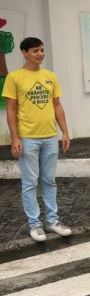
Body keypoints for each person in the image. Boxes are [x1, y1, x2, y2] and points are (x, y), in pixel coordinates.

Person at [2, 37, 72, 242]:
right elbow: (11, 109)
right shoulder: (14, 77)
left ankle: (52, 221)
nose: (40, 54)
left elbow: (57, 105)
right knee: (30, 182)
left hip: (50, 137)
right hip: (28, 138)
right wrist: (15, 138)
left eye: (42, 50)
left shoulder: (50, 76)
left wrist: (64, 132)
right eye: (35, 51)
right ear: (24, 53)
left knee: (49, 181)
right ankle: (35, 224)